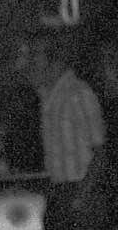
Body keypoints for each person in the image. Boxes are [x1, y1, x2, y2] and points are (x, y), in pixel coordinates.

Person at [33, 38, 105, 197]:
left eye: (37, 61)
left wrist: (84, 194)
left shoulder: (79, 93)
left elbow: (100, 151)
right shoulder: (45, 98)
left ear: (54, 63)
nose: (34, 68)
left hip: (81, 187)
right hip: (57, 188)